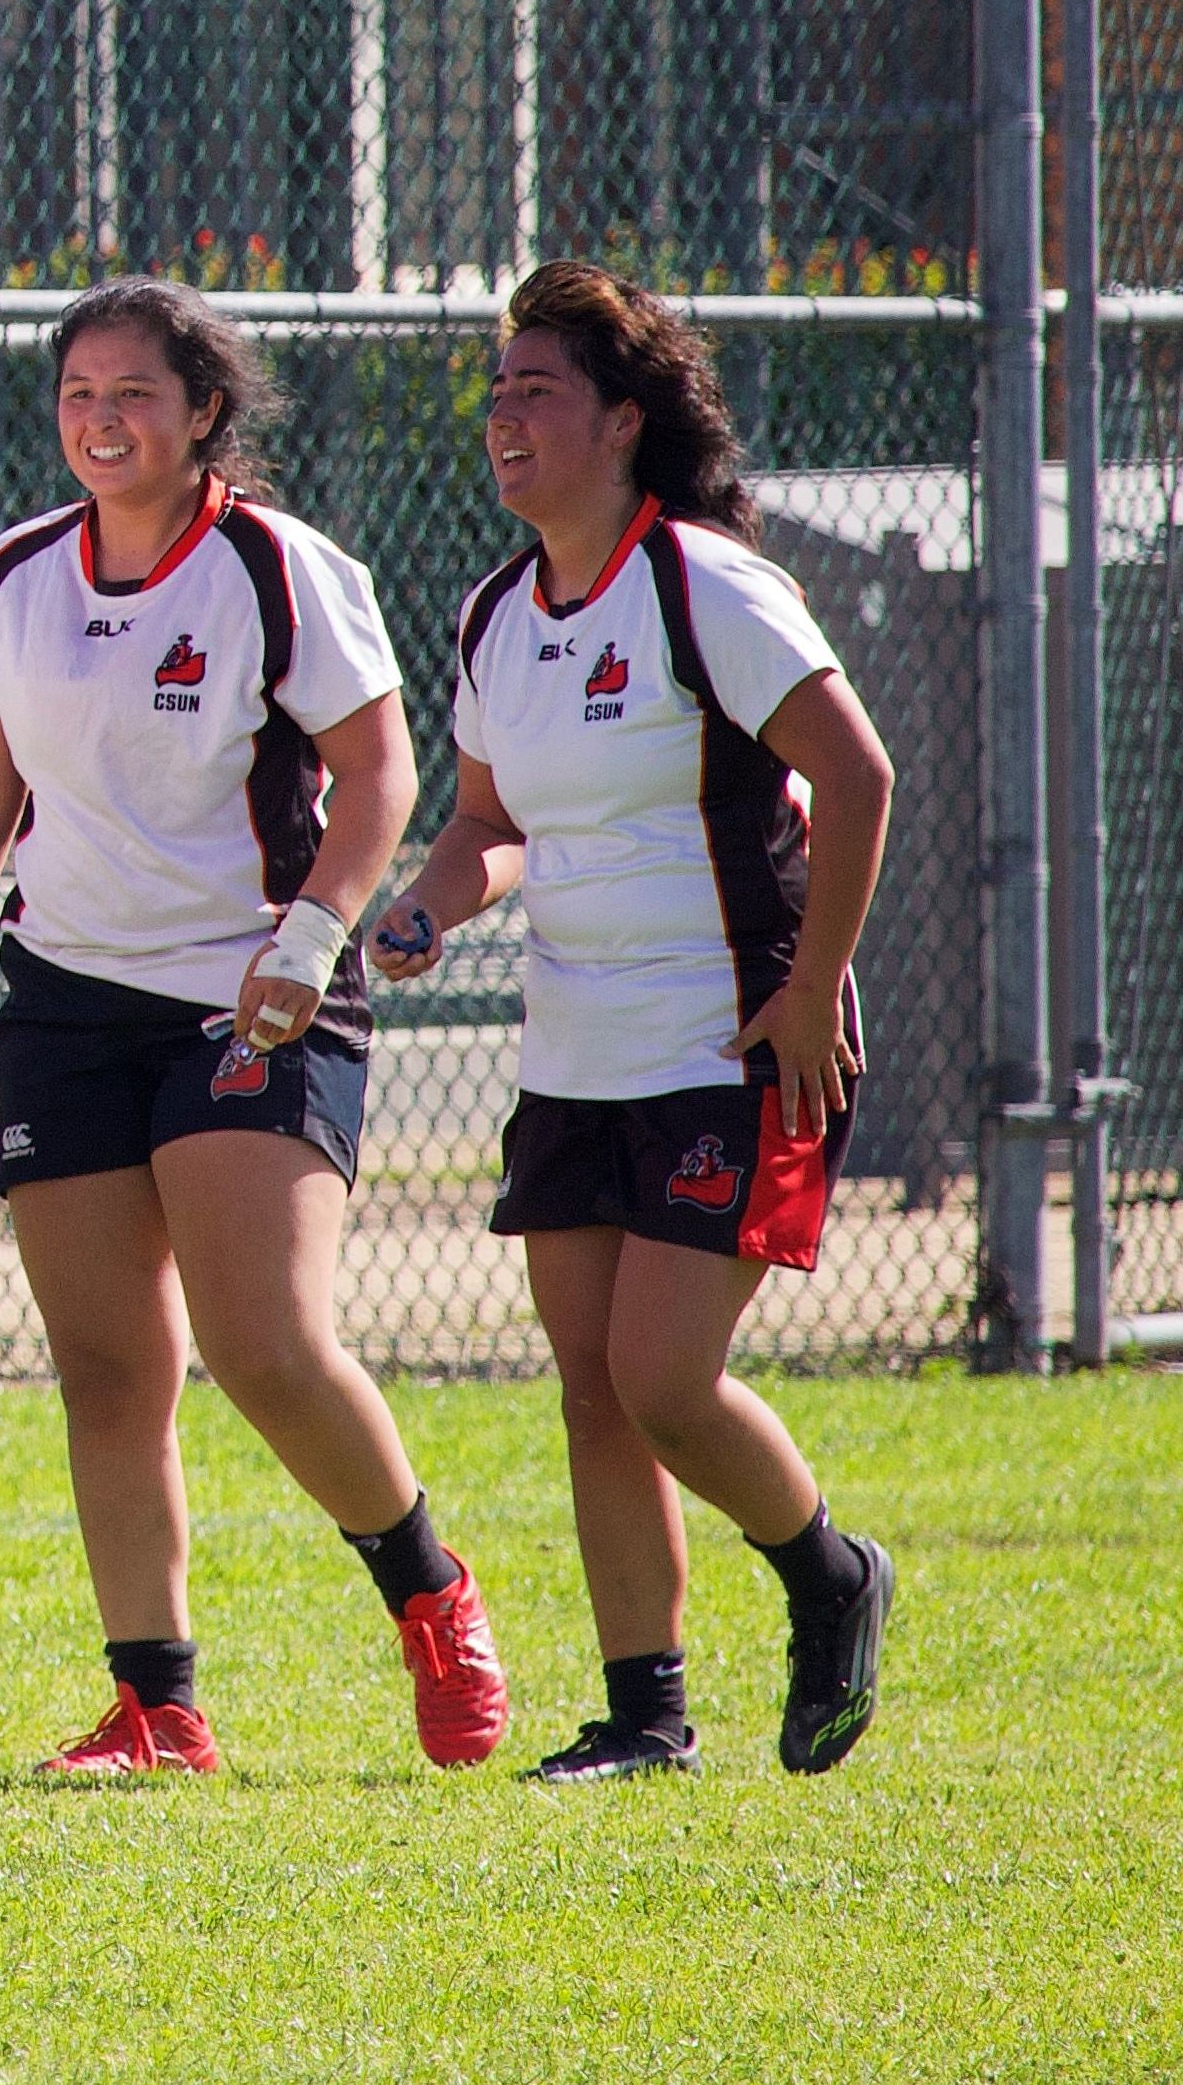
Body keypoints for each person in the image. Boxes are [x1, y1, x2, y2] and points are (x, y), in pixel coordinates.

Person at [0, 277, 512, 1778]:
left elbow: (380, 774)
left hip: (252, 991)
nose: (102, 420)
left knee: (267, 1342)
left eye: (136, 394)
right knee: (110, 1365)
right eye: (79, 393)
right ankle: (158, 1706)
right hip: (66, 1003)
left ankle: (430, 1591)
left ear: (204, 409)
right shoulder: (17, 576)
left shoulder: (277, 568)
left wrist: (310, 938)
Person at [373, 260, 899, 1784]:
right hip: (574, 1048)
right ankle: (642, 1717)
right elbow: (485, 821)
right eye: (497, 391)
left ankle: (828, 1573)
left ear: (622, 421)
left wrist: (810, 991)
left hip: (734, 1041)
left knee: (665, 1375)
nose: (505, 416)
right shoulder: (494, 611)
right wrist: (427, 905)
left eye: (539, 389)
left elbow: (856, 779)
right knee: (594, 1387)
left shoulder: (701, 581)